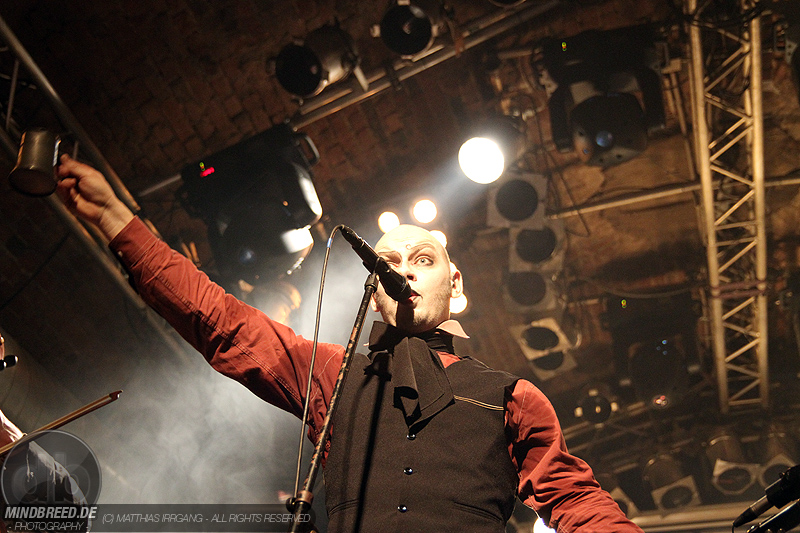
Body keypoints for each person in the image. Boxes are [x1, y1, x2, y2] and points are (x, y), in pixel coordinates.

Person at [56, 154, 644, 533]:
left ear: (457, 287)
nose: (404, 270)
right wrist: (116, 220)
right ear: (375, 293)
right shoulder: (334, 378)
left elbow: (577, 501)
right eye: (388, 263)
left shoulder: (513, 398)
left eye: (423, 259)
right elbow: (223, 322)